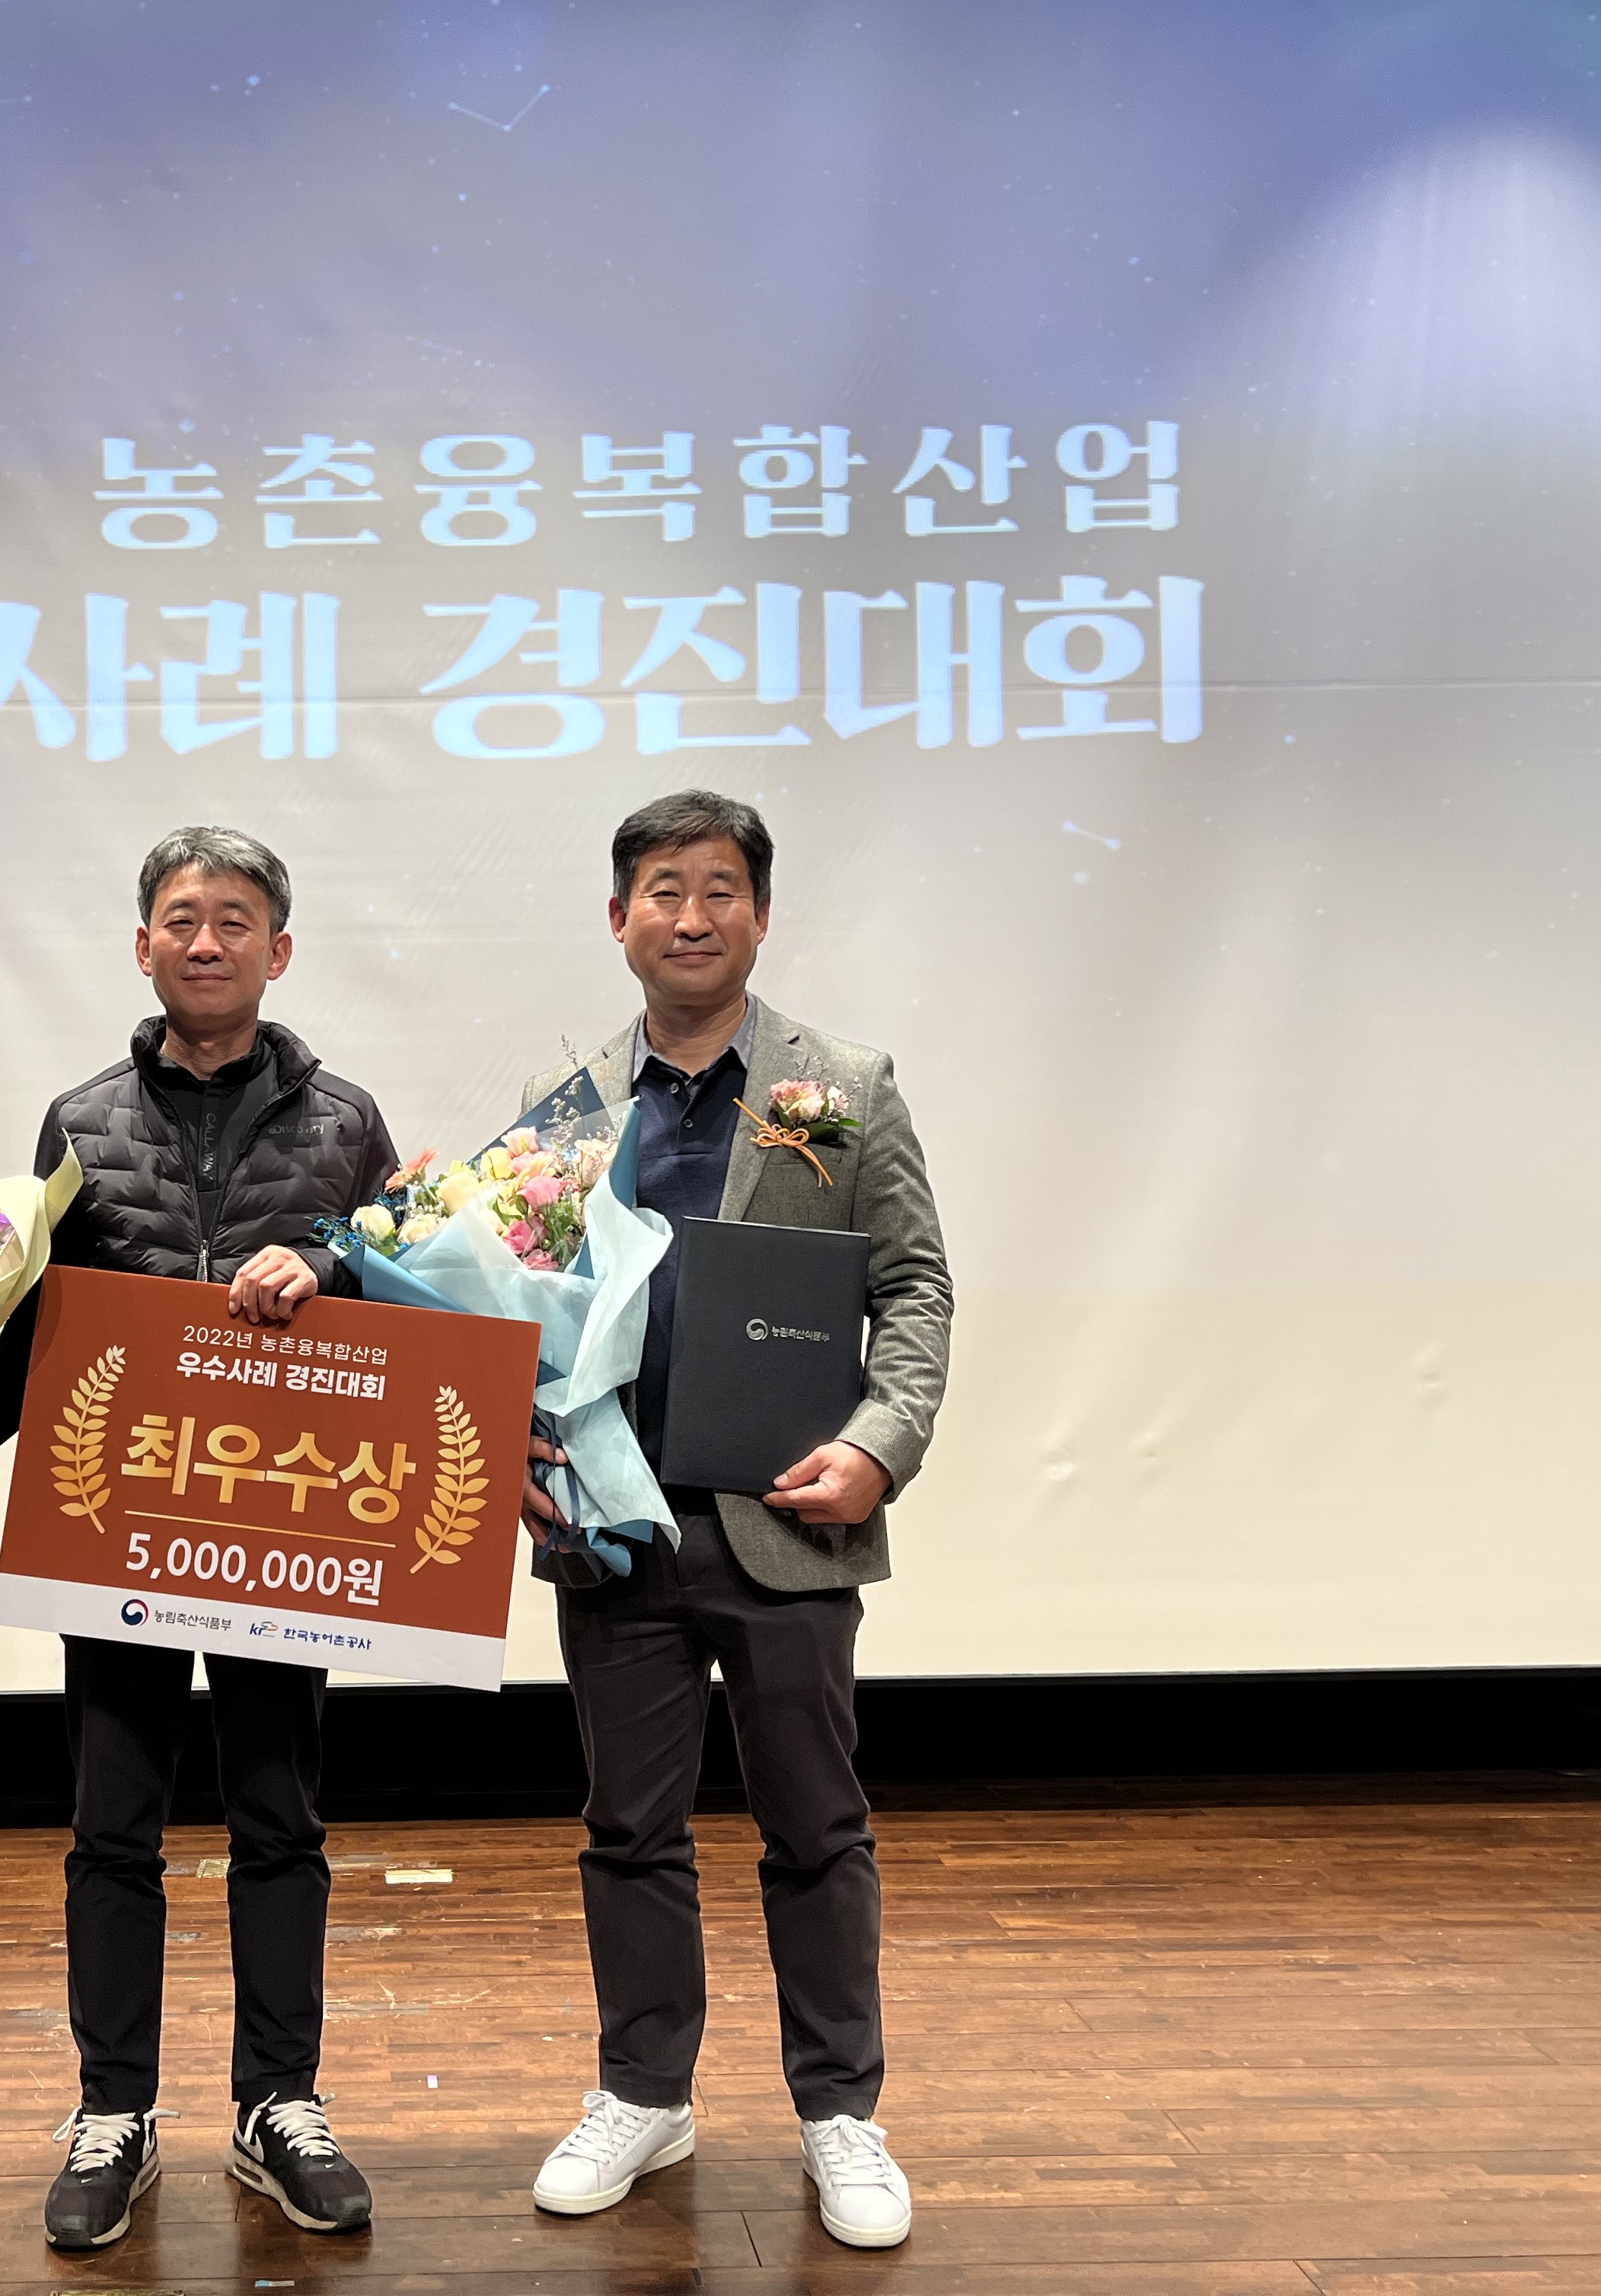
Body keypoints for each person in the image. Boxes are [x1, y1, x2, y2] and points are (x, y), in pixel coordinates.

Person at [514, 788, 953, 2251]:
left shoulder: (847, 1083)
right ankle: (645, 2092)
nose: (690, 915)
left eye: (719, 889)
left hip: (788, 1523)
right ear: (619, 916)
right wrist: (519, 1442)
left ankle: (840, 2113)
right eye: (662, 888)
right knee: (628, 1829)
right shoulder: (568, 1110)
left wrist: (880, 1447)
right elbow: (516, 1305)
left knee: (816, 1827)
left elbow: (914, 1289)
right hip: (615, 1524)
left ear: (761, 914)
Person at [0, 825, 397, 2253]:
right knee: (113, 1826)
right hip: (121, 1518)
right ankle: (115, 2112)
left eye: (237, 918)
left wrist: (323, 1263)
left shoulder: (348, 1121)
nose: (209, 941)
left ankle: (280, 2104)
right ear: (142, 946)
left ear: (281, 949)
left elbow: (409, 1302)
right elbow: (37, 1328)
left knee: (280, 1820)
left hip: (279, 1521)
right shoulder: (79, 1121)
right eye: (183, 918)